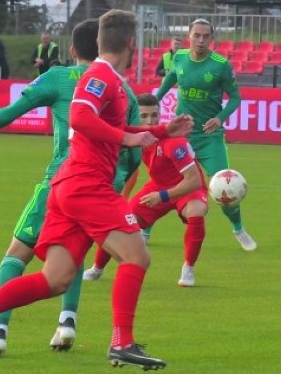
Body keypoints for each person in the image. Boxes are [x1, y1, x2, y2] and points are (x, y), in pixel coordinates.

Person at [0, 9, 193, 370]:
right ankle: (121, 343)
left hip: (70, 186)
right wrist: (127, 134)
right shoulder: (101, 77)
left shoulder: (106, 79)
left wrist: (162, 131)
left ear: (98, 40)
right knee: (137, 256)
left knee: (57, 279)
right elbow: (81, 118)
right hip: (86, 185)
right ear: (131, 44)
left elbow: (107, 130)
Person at [0, 18, 140, 357]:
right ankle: (68, 324)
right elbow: (132, 155)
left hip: (61, 183)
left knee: (17, 254)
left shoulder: (58, 78)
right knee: (75, 260)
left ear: (73, 50)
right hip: (100, 187)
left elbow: (12, 111)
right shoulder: (123, 88)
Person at [83, 93, 209, 287]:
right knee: (120, 221)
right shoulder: (135, 136)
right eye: (143, 116)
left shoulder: (174, 141)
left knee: (196, 212)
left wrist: (163, 196)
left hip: (185, 188)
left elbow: (193, 181)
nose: (150, 121)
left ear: (160, 114)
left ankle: (188, 269)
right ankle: (97, 268)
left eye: (154, 115)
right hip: (156, 185)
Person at [155, 18, 257, 252]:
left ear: (212, 39)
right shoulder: (180, 57)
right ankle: (145, 226)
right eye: (196, 35)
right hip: (182, 134)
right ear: (189, 36)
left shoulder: (221, 65)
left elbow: (235, 97)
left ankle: (238, 229)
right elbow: (170, 79)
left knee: (225, 187)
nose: (201, 40)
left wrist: (220, 118)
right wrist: (154, 102)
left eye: (206, 36)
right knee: (161, 182)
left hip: (210, 137)